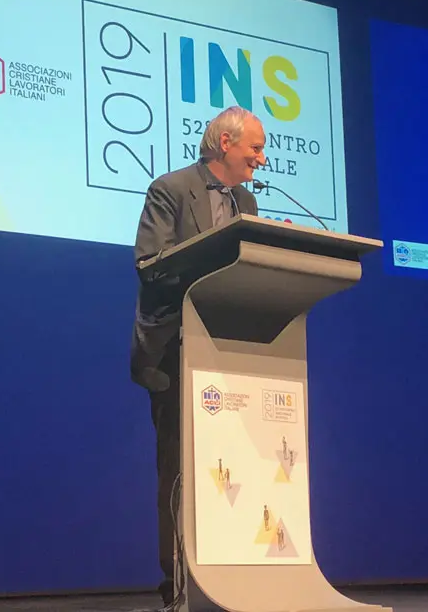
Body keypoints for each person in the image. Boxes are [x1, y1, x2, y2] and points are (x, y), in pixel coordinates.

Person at [130, 105, 265, 608]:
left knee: (229, 468)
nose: (261, 159)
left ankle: (227, 580)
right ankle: (178, 587)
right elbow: (150, 265)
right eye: (255, 148)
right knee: (179, 471)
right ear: (225, 144)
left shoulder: (246, 201)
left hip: (229, 347)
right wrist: (216, 257)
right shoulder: (169, 189)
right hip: (174, 350)